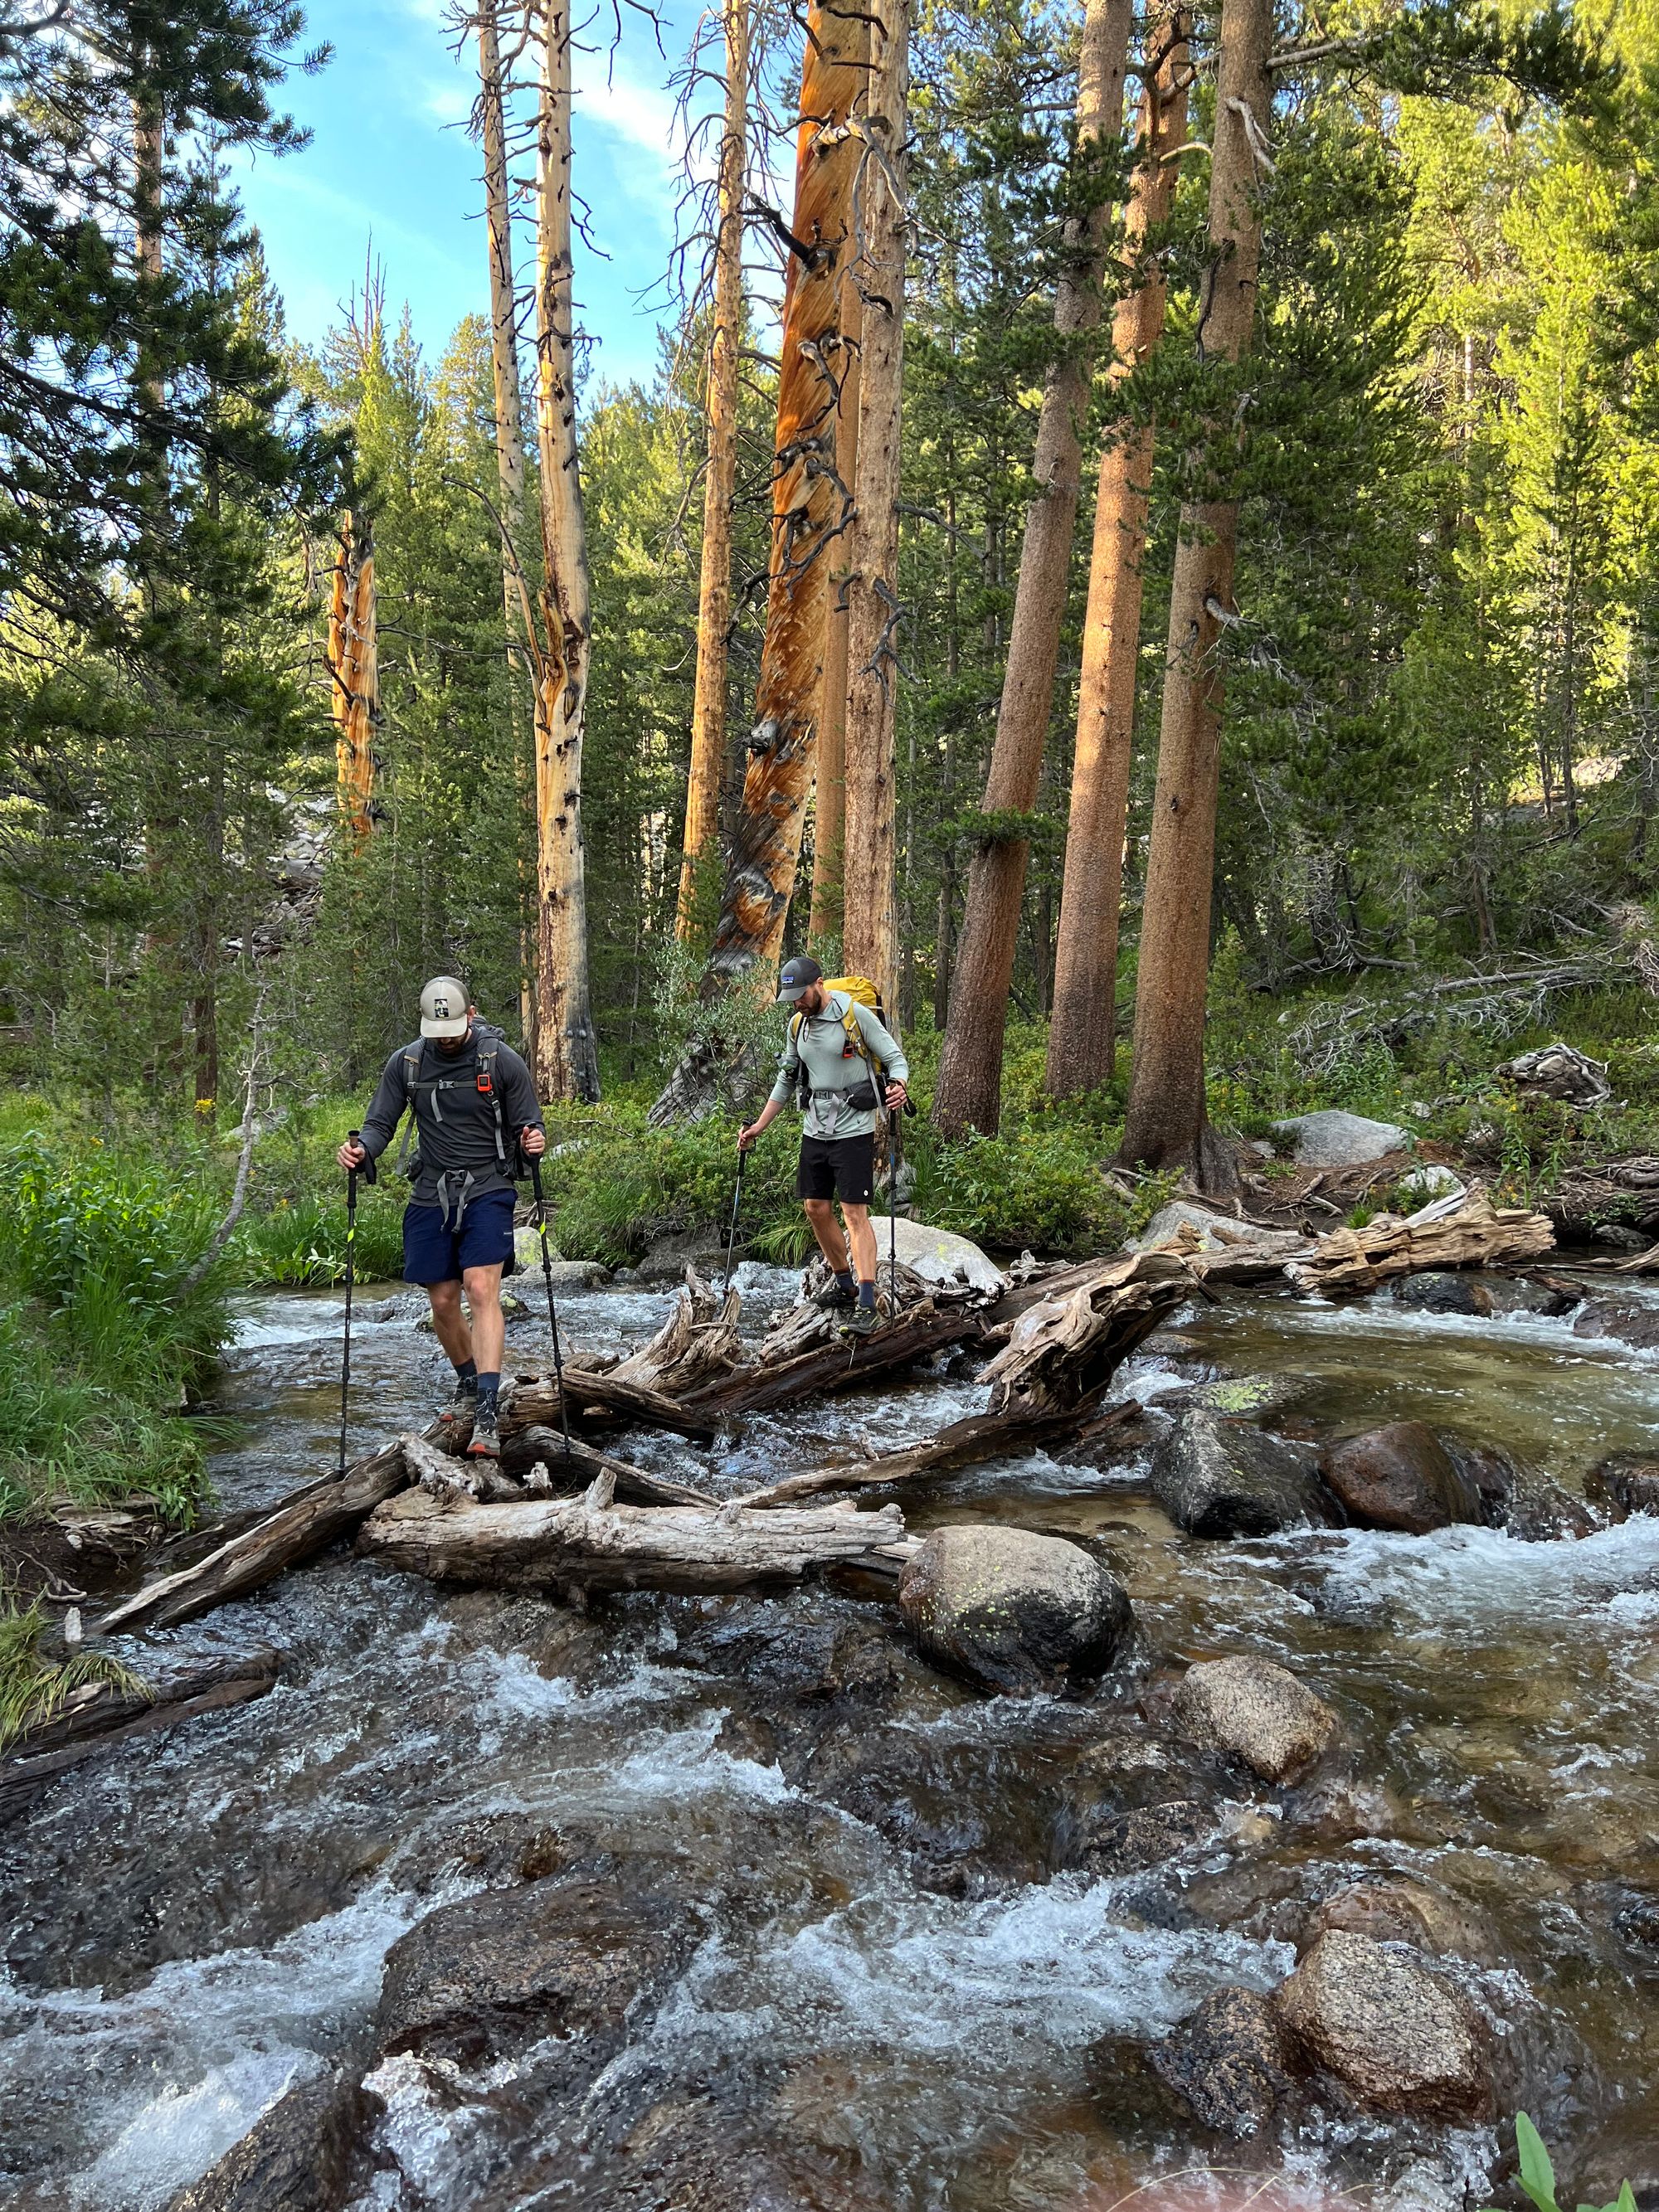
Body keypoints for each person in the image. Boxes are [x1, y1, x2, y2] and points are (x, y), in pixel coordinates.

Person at [337, 976, 545, 1458]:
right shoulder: (407, 1064)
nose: (445, 1039)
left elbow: (528, 1123)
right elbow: (379, 1123)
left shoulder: (501, 1061)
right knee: (444, 1300)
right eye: (437, 1031)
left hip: (489, 1186)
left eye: (452, 1029)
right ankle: (469, 1383)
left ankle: (488, 1412)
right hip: (431, 1190)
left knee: (480, 1288)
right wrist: (362, 1151)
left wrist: (533, 1139)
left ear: (471, 1014)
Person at [738, 956, 909, 1335]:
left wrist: (898, 1085)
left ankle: (867, 1302)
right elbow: (787, 1080)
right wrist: (759, 1127)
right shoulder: (797, 1025)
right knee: (815, 1208)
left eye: (801, 995)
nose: (798, 1003)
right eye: (792, 998)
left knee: (854, 1213)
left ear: (818, 984)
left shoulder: (855, 1016)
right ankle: (844, 1284)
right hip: (815, 1129)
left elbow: (895, 1059)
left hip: (854, 1129)